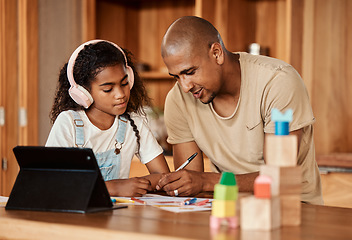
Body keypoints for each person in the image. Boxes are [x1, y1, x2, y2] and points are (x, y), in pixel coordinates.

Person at [156, 16, 323, 205]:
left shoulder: (277, 82)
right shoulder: (178, 100)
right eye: (176, 77)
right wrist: (186, 184)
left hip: (291, 208)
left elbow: (278, 177)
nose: (185, 86)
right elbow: (189, 185)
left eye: (190, 72)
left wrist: (204, 182)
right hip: (226, 207)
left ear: (217, 53)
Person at [46, 39, 170, 197]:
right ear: (83, 93)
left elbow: (164, 177)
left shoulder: (134, 124)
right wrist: (112, 188)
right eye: (108, 89)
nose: (120, 94)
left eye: (124, 84)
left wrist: (133, 183)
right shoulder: (69, 122)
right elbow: (52, 182)